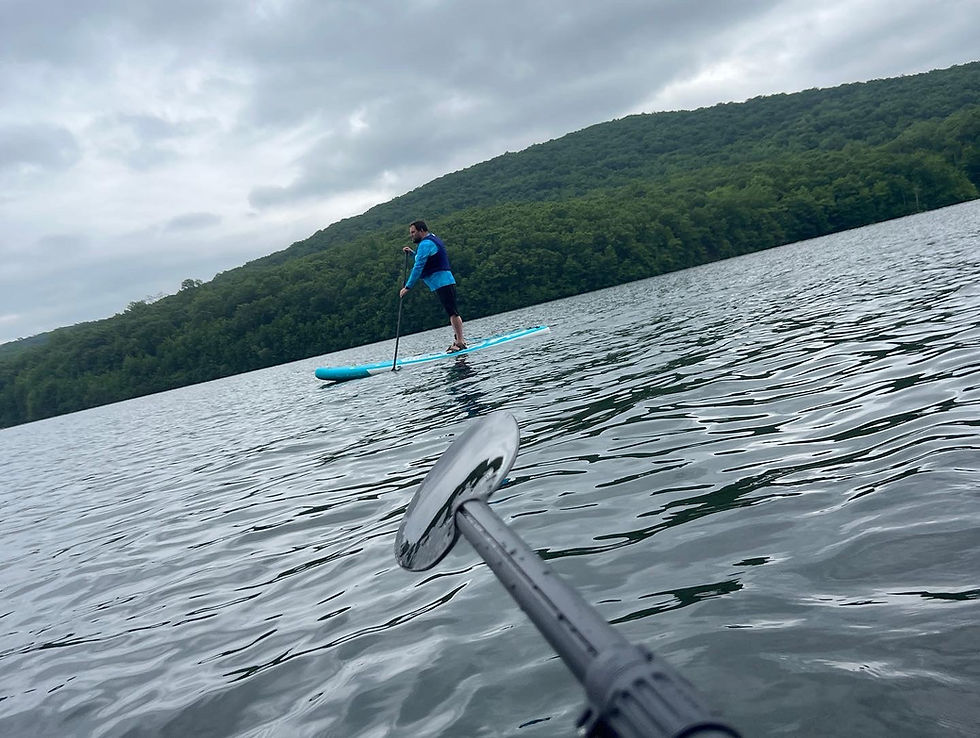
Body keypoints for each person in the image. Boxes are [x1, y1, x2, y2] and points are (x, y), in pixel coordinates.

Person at [399, 220, 467, 352]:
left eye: (413, 232)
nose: (411, 235)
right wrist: (413, 253)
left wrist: (408, 287)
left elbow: (418, 266)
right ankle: (459, 340)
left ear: (421, 230)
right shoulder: (432, 239)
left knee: (453, 312)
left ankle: (460, 342)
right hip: (444, 281)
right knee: (451, 311)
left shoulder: (425, 244)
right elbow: (426, 259)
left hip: (443, 282)